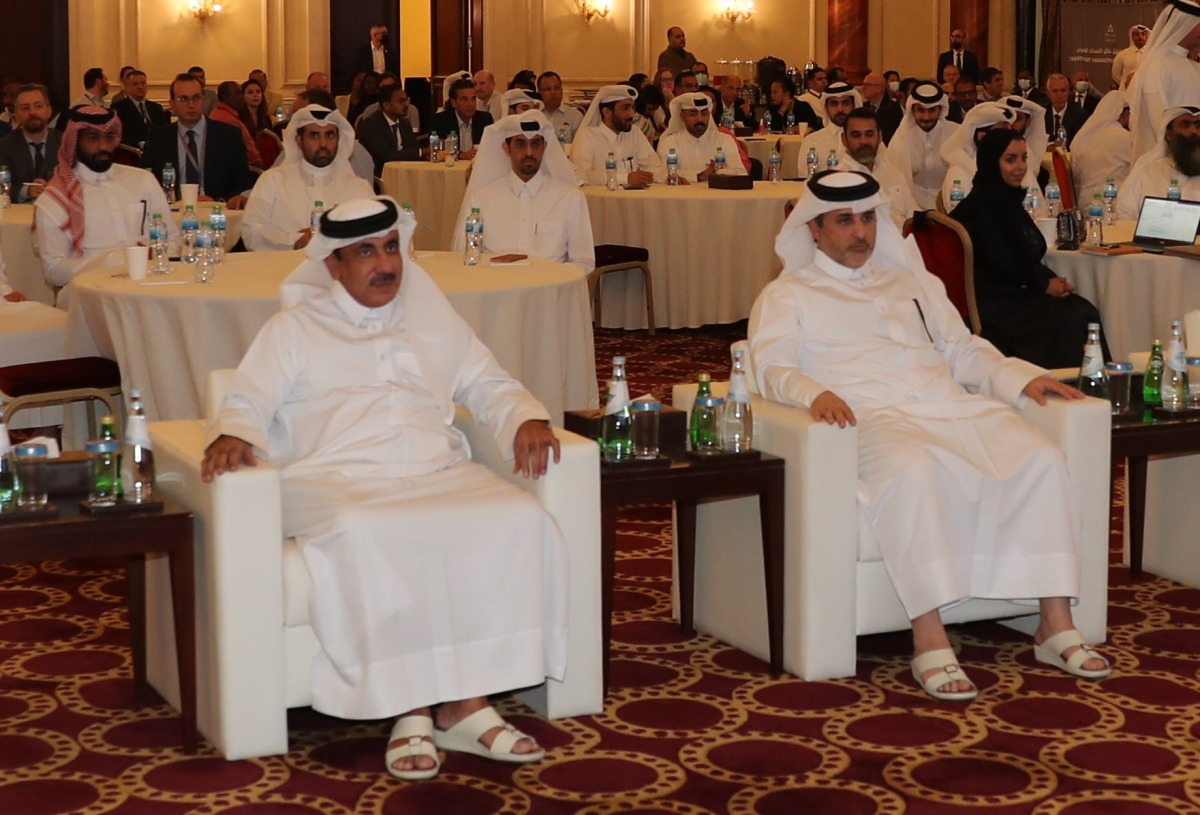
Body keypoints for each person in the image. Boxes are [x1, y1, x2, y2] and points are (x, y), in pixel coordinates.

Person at [201, 195, 566, 780]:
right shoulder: (292, 328)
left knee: (517, 516)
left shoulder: (430, 317)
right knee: (367, 526)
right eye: (365, 252)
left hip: (430, 470)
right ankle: (411, 706)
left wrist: (524, 415)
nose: (385, 264)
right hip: (332, 478)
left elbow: (486, 379)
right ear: (333, 266)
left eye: (392, 247)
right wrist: (234, 432)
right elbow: (248, 397)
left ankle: (466, 703)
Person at [749, 169, 1111, 701]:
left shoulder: (911, 282)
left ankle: (1053, 624)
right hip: (868, 418)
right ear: (814, 231)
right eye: (844, 221)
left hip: (948, 407)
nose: (861, 233)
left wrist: (1021, 376)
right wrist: (812, 395)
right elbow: (771, 366)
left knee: (1040, 458)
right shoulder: (788, 295)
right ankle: (929, 638)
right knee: (914, 471)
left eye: (868, 218)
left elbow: (962, 348)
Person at [953, 129, 1109, 369]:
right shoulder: (988, 207)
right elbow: (1003, 262)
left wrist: (1046, 281)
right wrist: (1043, 284)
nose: (1021, 167)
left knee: (1079, 308)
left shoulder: (998, 199)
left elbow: (1015, 259)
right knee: (1079, 315)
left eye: (1024, 158)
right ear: (990, 162)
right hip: (994, 306)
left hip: (1002, 294)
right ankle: (1074, 387)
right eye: (1010, 159)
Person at [33, 106, 179, 287]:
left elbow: (173, 240)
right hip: (90, 293)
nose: (103, 146)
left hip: (151, 284)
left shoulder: (142, 180)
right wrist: (114, 261)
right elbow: (53, 270)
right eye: (93, 138)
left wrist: (154, 253)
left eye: (109, 137)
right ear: (75, 140)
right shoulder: (55, 198)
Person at [453, 110, 594, 274]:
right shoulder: (481, 199)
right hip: (495, 291)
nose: (529, 152)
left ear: (544, 147)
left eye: (535, 144)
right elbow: (463, 257)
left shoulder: (570, 198)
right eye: (520, 143)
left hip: (549, 294)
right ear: (506, 148)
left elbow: (584, 263)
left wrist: (545, 279)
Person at [243, 106, 373, 251]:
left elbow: (375, 233)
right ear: (299, 141)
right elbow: (251, 233)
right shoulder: (272, 180)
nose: (323, 144)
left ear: (339, 140)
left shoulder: (358, 187)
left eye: (330, 135)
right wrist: (295, 239)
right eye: (315, 136)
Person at [141, 73, 255, 208]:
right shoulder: (159, 138)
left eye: (196, 98)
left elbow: (243, 182)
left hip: (216, 210)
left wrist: (218, 202)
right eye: (183, 99)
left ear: (203, 100)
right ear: (172, 103)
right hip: (173, 211)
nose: (191, 105)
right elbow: (145, 177)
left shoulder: (229, 135)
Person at [1128, 0, 1200, 160]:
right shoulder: (1158, 64)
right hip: (1168, 163)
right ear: (1184, 25)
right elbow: (1158, 123)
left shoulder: (1194, 66)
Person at [570, 84, 664, 187]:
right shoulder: (587, 137)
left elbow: (653, 167)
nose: (632, 114)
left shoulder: (635, 133)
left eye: (632, 108)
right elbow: (582, 176)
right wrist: (625, 178)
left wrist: (668, 176)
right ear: (607, 112)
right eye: (625, 108)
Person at [1118, 105, 1200, 220]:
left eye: (1198, 125)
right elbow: (1123, 212)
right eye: (1185, 124)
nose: (1193, 131)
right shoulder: (1147, 167)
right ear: (1168, 134)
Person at [836, 107, 916, 224]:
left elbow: (913, 216)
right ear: (844, 139)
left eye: (869, 134)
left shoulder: (893, 173)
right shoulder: (837, 181)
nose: (863, 141)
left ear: (879, 136)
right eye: (856, 135)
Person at [887, 82, 958, 211]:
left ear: (940, 109)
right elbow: (894, 181)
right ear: (912, 110)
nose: (926, 117)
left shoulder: (955, 134)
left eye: (932, 110)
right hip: (912, 207)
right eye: (920, 110)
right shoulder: (902, 138)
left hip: (951, 207)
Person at [655, 92, 746, 181]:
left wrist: (717, 173)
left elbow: (741, 173)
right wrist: (698, 176)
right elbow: (660, 174)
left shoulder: (724, 140)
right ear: (682, 117)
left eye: (704, 113)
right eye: (693, 114)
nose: (699, 119)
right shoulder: (669, 143)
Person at [940, 101, 1014, 209]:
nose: (1011, 138)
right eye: (1003, 132)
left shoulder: (1009, 165)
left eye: (1010, 131)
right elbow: (960, 216)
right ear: (982, 137)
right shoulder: (960, 170)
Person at [0, 84, 62, 202]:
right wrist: (26, 190)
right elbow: (1, 186)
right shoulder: (4, 147)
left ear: (49, 111)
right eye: (25, 108)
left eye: (38, 106)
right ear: (16, 114)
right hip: (18, 216)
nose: (32, 112)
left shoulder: (66, 143)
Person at [1071, 91, 1133, 202]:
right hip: (1107, 203)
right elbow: (1141, 164)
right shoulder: (1122, 137)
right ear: (1126, 114)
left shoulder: (1090, 133)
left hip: (1085, 200)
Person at [798, 81, 863, 173]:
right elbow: (804, 179)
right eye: (834, 104)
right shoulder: (811, 141)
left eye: (845, 103)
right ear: (826, 107)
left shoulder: (867, 139)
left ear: (854, 105)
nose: (840, 109)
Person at [358, 84, 421, 176]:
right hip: (380, 177)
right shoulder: (370, 125)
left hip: (404, 174)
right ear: (386, 105)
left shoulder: (405, 123)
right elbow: (388, 156)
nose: (406, 105)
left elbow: (414, 149)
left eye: (406, 100)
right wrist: (421, 152)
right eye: (401, 101)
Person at [429, 78, 493, 160]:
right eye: (464, 99)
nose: (470, 104)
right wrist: (461, 155)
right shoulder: (439, 120)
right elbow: (435, 150)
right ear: (453, 103)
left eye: (473, 99)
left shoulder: (485, 119)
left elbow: (491, 148)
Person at [209, 81, 263, 167]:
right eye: (237, 93)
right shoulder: (227, 120)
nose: (242, 97)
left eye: (241, 93)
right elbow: (250, 155)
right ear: (225, 97)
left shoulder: (219, 114)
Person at [112, 70, 169, 150]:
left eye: (143, 83)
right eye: (135, 84)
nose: (140, 87)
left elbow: (164, 131)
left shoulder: (156, 108)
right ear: (127, 87)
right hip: (133, 153)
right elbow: (119, 134)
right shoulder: (119, 108)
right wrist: (140, 144)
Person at [537, 71, 583, 143]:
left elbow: (579, 146)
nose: (553, 92)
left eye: (557, 88)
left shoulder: (575, 116)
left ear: (561, 90)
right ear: (539, 93)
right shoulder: (534, 114)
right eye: (548, 89)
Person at [1043, 74, 1086, 146]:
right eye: (1055, 91)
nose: (1059, 95)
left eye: (1063, 90)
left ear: (1068, 92)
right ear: (1048, 93)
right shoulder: (1041, 113)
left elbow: (1079, 144)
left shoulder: (1080, 115)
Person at [860, 72, 902, 144]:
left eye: (867, 85)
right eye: (863, 84)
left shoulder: (892, 109)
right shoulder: (863, 107)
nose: (863, 88)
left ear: (879, 88)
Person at [1112, 24, 1150, 91]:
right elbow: (1115, 75)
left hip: (1145, 92)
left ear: (1147, 37)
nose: (1140, 37)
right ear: (1132, 37)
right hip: (1125, 92)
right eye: (1137, 34)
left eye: (1143, 34)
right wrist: (1126, 83)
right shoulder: (1122, 54)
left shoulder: (1151, 54)